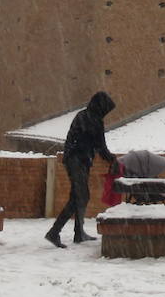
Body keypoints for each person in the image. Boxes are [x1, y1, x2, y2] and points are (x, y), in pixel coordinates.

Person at [45, 91, 116, 248]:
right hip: (77, 160)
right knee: (80, 196)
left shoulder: (83, 115)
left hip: (77, 159)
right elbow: (101, 147)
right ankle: (54, 232)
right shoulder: (94, 120)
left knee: (78, 196)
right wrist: (112, 159)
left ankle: (78, 232)